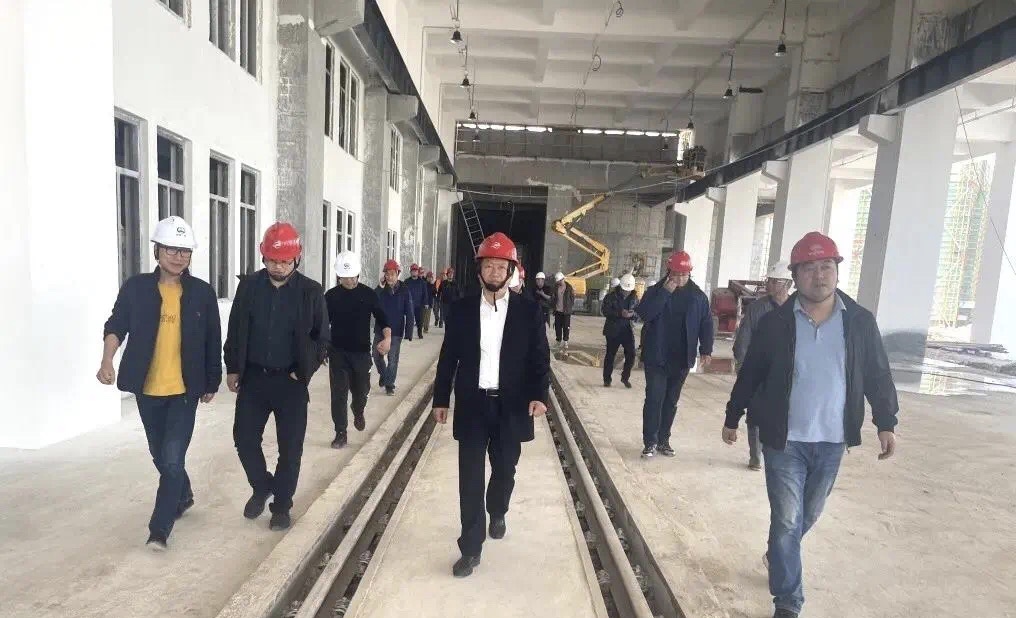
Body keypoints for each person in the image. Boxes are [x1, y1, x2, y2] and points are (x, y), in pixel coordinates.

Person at [722, 232, 899, 618]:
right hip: (783, 440)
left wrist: (885, 421)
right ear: (795, 275)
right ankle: (788, 601)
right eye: (809, 268)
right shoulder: (776, 324)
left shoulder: (859, 322)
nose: (819, 275)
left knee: (808, 514)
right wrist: (733, 416)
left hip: (832, 440)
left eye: (826, 266)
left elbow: (877, 374)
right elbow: (751, 374)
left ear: (836, 270)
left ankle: (778, 554)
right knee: (787, 520)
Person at [97, 216, 221, 550]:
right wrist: (107, 360)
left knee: (171, 458)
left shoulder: (202, 293)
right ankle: (184, 493)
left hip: (185, 390)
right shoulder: (136, 288)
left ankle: (159, 530)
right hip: (147, 389)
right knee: (160, 455)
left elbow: (212, 338)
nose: (178, 257)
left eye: (185, 251)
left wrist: (213, 380)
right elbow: (116, 324)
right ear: (157, 251)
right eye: (171, 249)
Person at [432, 232, 550, 578]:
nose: (495, 272)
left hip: (511, 406)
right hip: (472, 404)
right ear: (479, 269)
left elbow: (539, 358)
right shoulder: (462, 310)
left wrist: (539, 395)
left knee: (504, 470)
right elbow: (448, 358)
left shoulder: (529, 311)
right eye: (489, 266)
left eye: (501, 266)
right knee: (469, 478)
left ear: (511, 270)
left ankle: (497, 509)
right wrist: (441, 398)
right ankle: (471, 548)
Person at [224, 222, 329, 531]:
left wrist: (304, 370)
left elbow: (322, 338)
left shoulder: (311, 291)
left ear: (296, 258)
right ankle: (262, 486)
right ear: (263, 257)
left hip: (291, 383)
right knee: (244, 439)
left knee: (290, 448)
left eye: (284, 261)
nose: (278, 267)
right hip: (254, 379)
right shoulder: (249, 287)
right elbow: (235, 329)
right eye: (272, 260)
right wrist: (232, 367)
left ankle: (281, 505)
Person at [635, 250, 713, 459]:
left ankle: (663, 441)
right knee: (654, 399)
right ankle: (650, 442)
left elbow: (706, 323)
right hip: (657, 356)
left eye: (683, 274)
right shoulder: (655, 291)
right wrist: (665, 293)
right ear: (668, 272)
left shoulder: (698, 297)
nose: (679, 278)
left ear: (689, 273)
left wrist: (706, 349)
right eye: (675, 274)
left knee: (671, 401)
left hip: (681, 359)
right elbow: (645, 314)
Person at [325, 251, 392, 449]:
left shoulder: (368, 295)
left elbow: (383, 319)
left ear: (358, 274)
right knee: (338, 394)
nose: (349, 280)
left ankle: (358, 409)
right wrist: (320, 347)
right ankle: (340, 432)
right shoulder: (331, 297)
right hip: (338, 353)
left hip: (361, 353)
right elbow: (321, 324)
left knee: (361, 391)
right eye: (345, 277)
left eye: (352, 276)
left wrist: (387, 338)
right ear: (338, 276)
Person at [731, 259, 792, 471]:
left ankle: (776, 452)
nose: (770, 285)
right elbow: (744, 338)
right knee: (755, 413)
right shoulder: (758, 308)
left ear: (789, 284)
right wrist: (743, 366)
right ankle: (755, 456)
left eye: (776, 281)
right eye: (770, 281)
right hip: (758, 371)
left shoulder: (797, 309)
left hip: (784, 373)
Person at [374, 259, 414, 395]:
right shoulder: (381, 289)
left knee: (392, 359)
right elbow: (372, 300)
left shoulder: (404, 290)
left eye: (392, 274)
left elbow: (409, 311)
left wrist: (409, 331)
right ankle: (384, 375)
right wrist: (379, 287)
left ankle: (389, 385)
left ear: (398, 274)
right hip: (380, 329)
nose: (389, 277)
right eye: (387, 274)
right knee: (376, 356)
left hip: (396, 331)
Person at [602, 273, 639, 389]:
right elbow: (605, 310)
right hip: (613, 330)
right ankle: (607, 379)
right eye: (624, 290)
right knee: (610, 355)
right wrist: (619, 313)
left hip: (627, 330)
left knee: (631, 354)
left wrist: (633, 315)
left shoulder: (634, 298)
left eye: (628, 290)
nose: (626, 292)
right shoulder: (611, 297)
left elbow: (639, 313)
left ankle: (625, 377)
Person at [549, 272, 575, 351]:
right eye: (558, 281)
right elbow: (553, 297)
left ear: (563, 279)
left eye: (559, 281)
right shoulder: (555, 287)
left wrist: (569, 307)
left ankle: (565, 341)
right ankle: (558, 341)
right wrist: (553, 306)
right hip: (558, 311)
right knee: (557, 327)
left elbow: (572, 299)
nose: (559, 282)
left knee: (566, 327)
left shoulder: (569, 288)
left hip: (566, 312)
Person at [405, 264, 431, 340]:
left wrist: (426, 303)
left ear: (417, 272)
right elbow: (404, 293)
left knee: (419, 320)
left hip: (419, 305)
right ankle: (408, 335)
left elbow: (425, 293)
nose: (414, 272)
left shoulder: (422, 282)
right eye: (412, 271)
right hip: (409, 305)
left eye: (415, 271)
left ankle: (420, 333)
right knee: (409, 320)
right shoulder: (406, 282)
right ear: (410, 272)